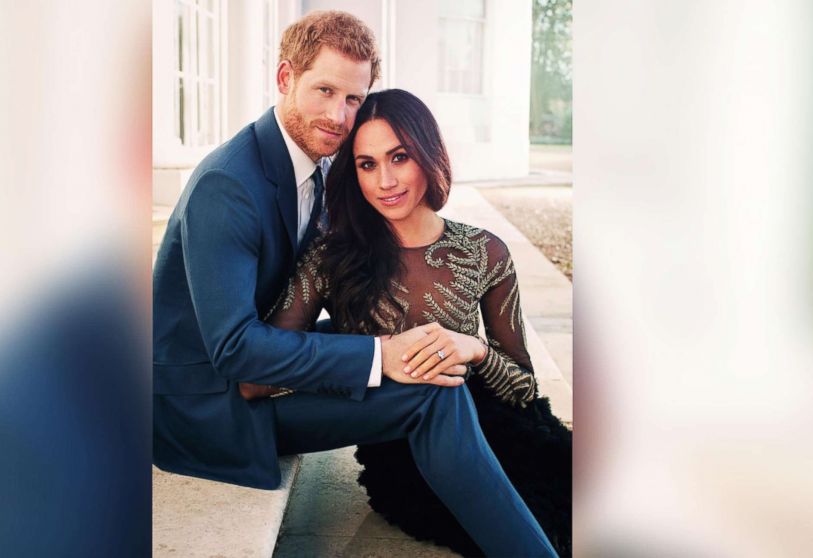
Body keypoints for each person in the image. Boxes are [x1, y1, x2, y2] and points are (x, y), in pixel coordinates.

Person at [153, 10, 558, 557]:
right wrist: (378, 353)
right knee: (428, 390)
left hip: (257, 371)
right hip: (212, 408)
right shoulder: (229, 185)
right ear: (284, 79)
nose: (338, 116)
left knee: (436, 373)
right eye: (324, 90)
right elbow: (235, 353)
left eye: (352, 99)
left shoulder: (316, 164)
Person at [248, 88, 572, 557]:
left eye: (399, 157)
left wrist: (474, 349)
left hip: (499, 429)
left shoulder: (484, 252)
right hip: (402, 454)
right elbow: (264, 363)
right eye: (366, 164)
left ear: (426, 153)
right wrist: (360, 362)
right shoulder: (330, 258)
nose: (385, 180)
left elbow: (523, 386)